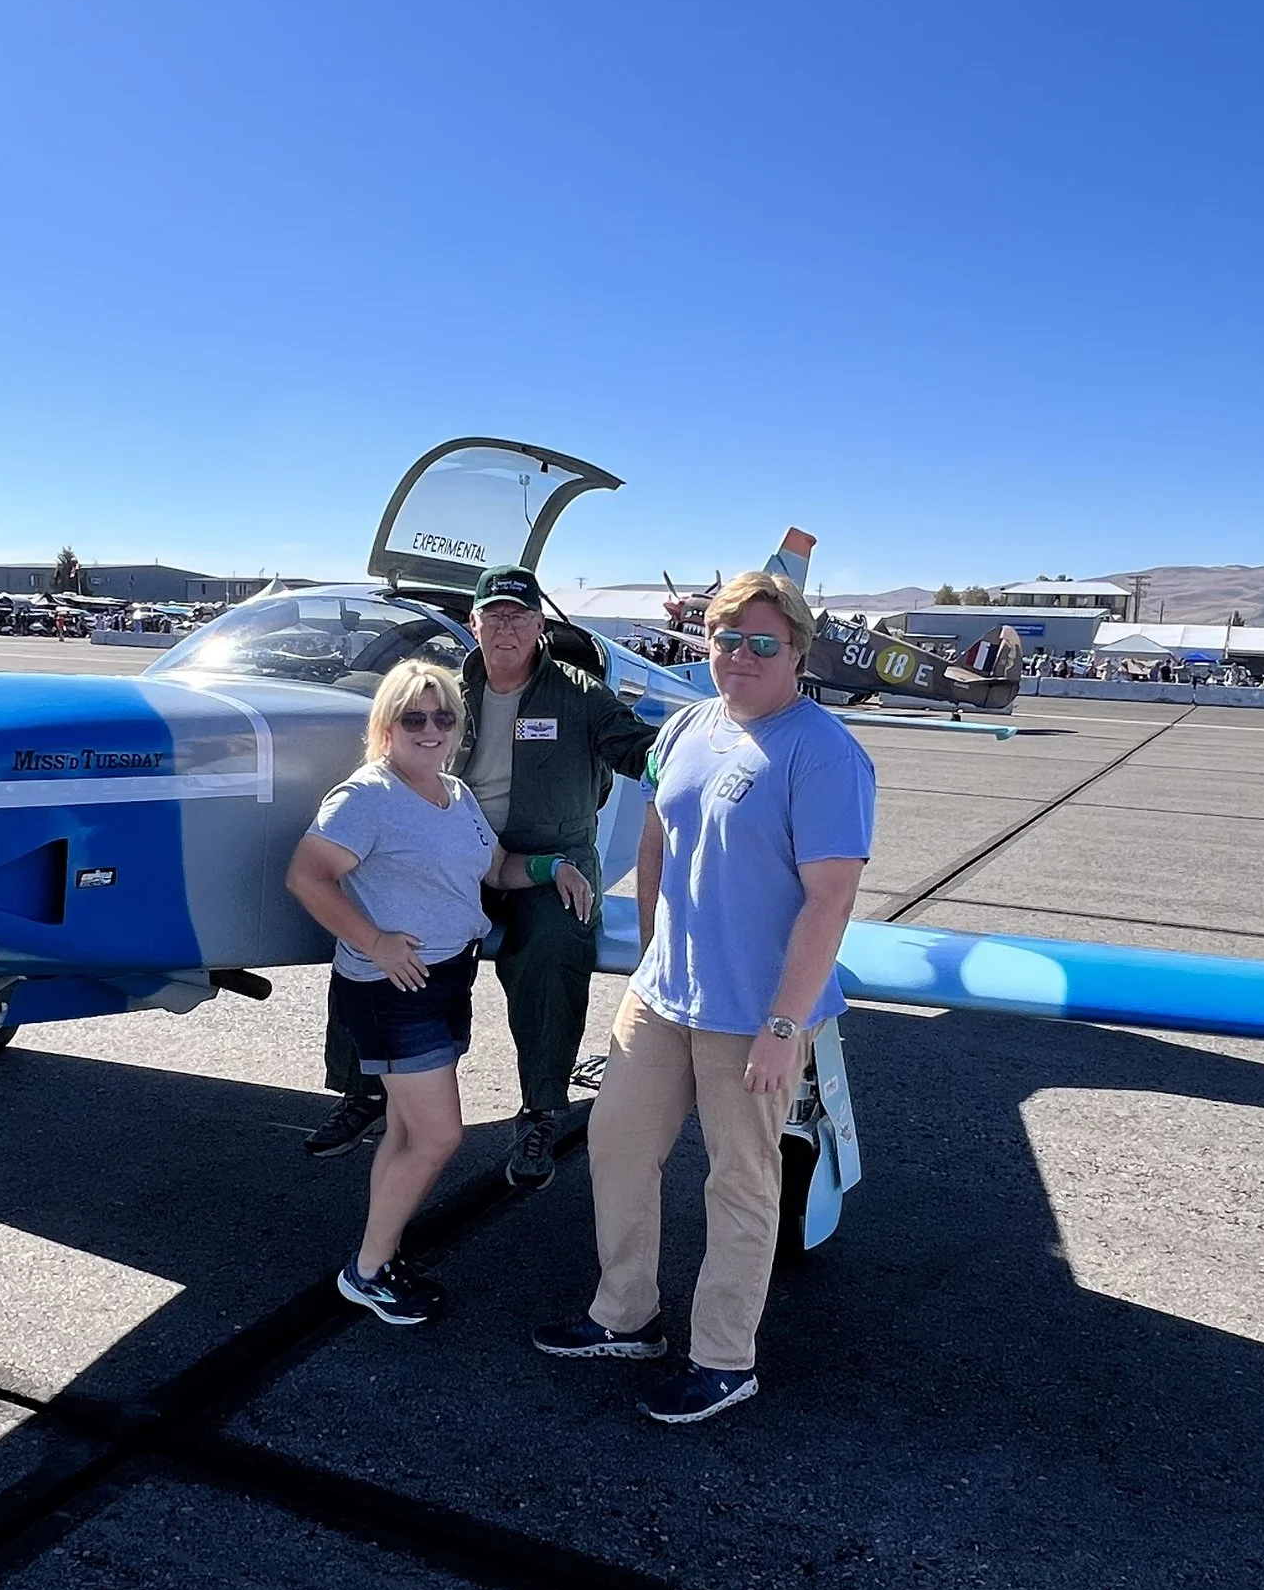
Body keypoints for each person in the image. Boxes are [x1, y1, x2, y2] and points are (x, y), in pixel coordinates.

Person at [533, 571, 876, 1424]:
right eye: (728, 640)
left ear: (797, 649)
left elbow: (831, 899)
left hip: (754, 1014)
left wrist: (784, 1024)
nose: (743, 657)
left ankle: (724, 1359)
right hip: (665, 998)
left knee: (740, 1182)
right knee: (615, 1145)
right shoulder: (689, 724)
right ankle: (627, 1315)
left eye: (764, 643)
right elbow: (655, 836)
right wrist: (652, 952)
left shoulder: (823, 750)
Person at [305, 564, 656, 1188]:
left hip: (550, 864)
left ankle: (543, 1107)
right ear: (474, 623)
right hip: (460, 853)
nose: (505, 627)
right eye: (493, 615)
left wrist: (712, 756)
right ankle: (367, 1090)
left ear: (540, 624)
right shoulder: (449, 692)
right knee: (380, 925)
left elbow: (637, 750)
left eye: (518, 615)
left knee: (551, 947)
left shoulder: (577, 695)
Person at [286, 659, 593, 1325]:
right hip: (392, 990)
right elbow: (307, 876)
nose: (431, 728)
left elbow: (498, 868)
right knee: (438, 1136)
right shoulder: (367, 796)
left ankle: (382, 1249)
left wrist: (553, 866)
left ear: (459, 726)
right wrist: (374, 941)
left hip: (446, 979)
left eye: (444, 715)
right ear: (386, 725)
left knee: (404, 1130)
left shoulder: (455, 793)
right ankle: (366, 1270)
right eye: (414, 716)